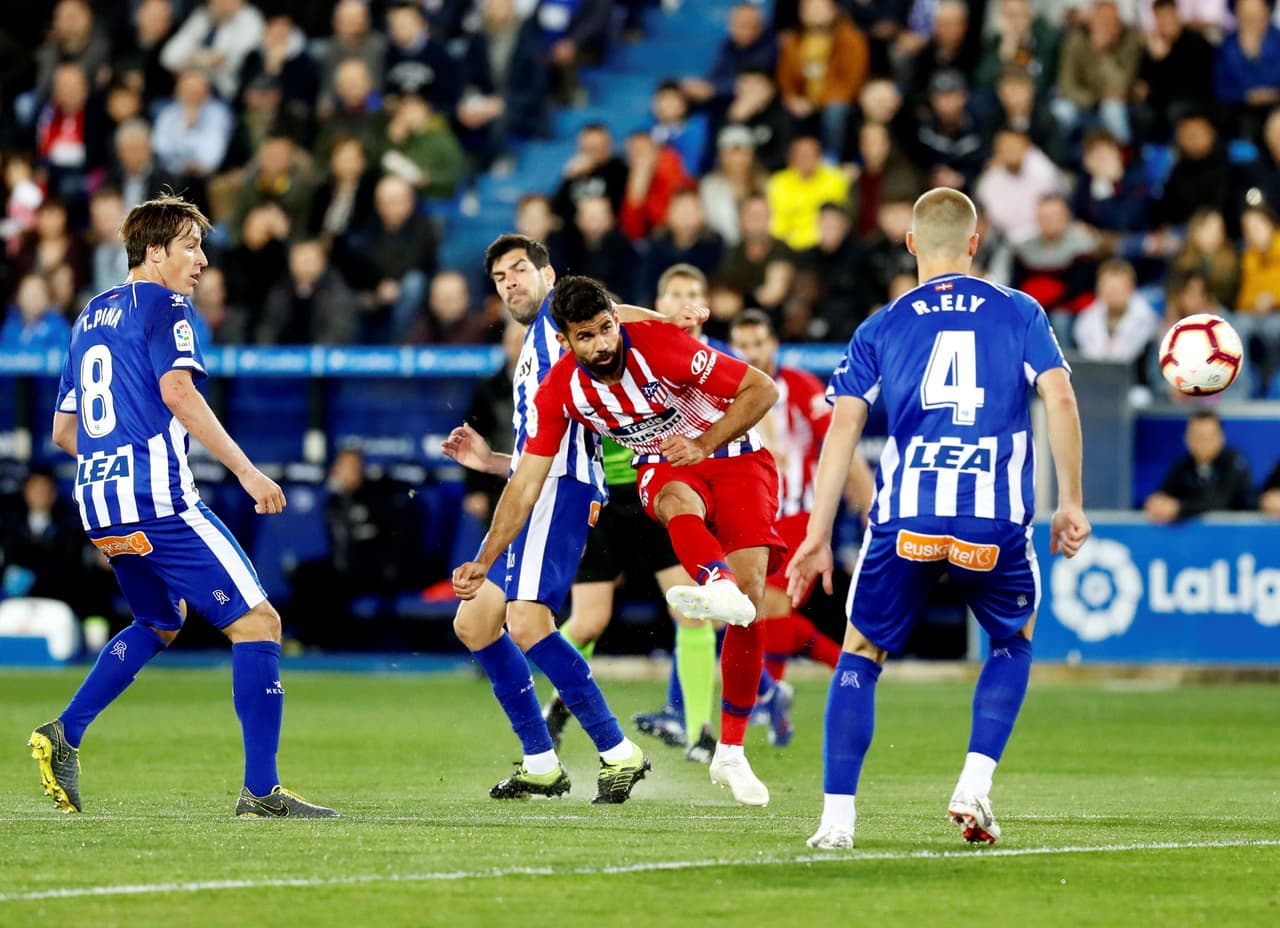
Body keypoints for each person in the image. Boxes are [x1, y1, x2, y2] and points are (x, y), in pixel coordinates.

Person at [787, 187, 1090, 849]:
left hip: (908, 515)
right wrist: (1071, 500)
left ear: (911, 243)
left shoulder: (884, 322)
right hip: (992, 517)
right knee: (1012, 641)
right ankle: (974, 785)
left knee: (861, 653)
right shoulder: (1021, 311)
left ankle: (836, 823)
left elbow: (841, 430)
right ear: (976, 245)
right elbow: (1060, 398)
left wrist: (815, 534)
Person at [28, 194, 338, 818]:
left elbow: (64, 431)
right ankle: (261, 790)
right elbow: (179, 393)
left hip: (99, 502)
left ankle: (65, 732)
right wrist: (248, 473)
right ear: (154, 252)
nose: (201, 261)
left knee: (159, 621)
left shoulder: (91, 313)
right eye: (190, 246)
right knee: (259, 624)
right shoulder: (170, 306)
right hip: (156, 498)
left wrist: (112, 454)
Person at [453, 273, 786, 807]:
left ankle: (730, 750)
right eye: (586, 336)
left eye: (607, 329)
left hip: (735, 454)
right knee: (674, 503)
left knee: (751, 609)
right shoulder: (560, 389)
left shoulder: (660, 346)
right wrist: (484, 557)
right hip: (659, 466)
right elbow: (527, 481)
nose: (602, 344)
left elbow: (763, 389)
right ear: (565, 341)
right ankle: (713, 580)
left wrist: (702, 442)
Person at [441, 235, 662, 805]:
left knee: (527, 621)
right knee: (474, 625)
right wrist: (489, 460)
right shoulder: (536, 349)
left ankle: (618, 752)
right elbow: (535, 453)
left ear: (548, 274)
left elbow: (616, 314)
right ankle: (540, 762)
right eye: (499, 278)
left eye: (520, 270)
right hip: (541, 483)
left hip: (560, 491)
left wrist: (670, 322)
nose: (510, 282)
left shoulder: (559, 318)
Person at [729, 309, 874, 702]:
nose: (752, 352)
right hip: (746, 519)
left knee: (770, 606)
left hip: (795, 515)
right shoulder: (722, 391)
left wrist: (868, 498)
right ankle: (847, 671)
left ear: (773, 345)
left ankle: (768, 698)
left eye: (758, 343)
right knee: (755, 614)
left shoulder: (801, 387)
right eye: (743, 345)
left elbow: (840, 443)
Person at [1143, 411, 1254, 523]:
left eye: (1206, 437)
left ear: (1220, 437)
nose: (1201, 443)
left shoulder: (1235, 462)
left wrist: (1179, 508)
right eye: (1195, 436)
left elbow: (1220, 503)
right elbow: (1163, 495)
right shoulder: (1182, 466)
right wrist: (1157, 503)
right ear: (1186, 438)